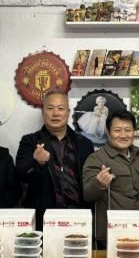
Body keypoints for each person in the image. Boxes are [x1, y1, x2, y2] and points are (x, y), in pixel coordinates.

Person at [16, 89, 94, 229]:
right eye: (50, 108)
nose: (56, 113)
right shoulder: (30, 141)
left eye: (61, 108)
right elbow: (20, 175)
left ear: (68, 112)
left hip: (78, 218)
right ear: (43, 112)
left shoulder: (84, 143)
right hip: (43, 218)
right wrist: (37, 162)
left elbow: (89, 181)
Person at [82, 109, 139, 245]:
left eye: (128, 130)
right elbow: (87, 195)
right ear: (108, 132)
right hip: (111, 232)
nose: (123, 135)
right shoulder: (96, 158)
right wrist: (100, 184)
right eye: (117, 130)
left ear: (134, 131)